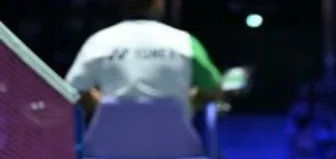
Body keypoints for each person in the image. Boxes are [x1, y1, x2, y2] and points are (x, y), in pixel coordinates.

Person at [64, 0, 226, 119]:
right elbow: (213, 89)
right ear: (158, 3)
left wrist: (103, 105)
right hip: (175, 150)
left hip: (110, 149)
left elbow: (70, 91)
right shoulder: (185, 42)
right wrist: (189, 102)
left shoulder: (98, 41)